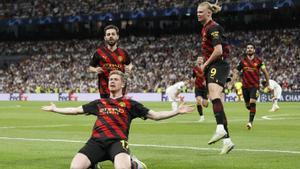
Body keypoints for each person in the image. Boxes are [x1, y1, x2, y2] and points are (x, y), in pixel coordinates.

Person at [42, 70, 194, 169]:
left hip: (117, 142)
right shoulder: (100, 103)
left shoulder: (130, 104)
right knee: (75, 167)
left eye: (115, 79)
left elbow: (155, 115)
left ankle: (134, 165)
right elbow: (75, 110)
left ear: (123, 83)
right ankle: (93, 165)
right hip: (96, 141)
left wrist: (177, 111)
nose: (111, 81)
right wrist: (56, 109)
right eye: (110, 79)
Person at [197, 1, 235, 154]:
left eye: (201, 12)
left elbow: (218, 50)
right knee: (216, 99)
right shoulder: (205, 28)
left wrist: (205, 64)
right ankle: (227, 141)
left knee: (213, 96)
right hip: (214, 66)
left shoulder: (212, 27)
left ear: (208, 13)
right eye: (197, 12)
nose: (198, 14)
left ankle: (220, 128)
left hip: (217, 65)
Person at [89, 25, 133, 98]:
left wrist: (129, 69)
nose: (110, 36)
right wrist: (95, 70)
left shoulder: (123, 53)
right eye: (108, 34)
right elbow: (90, 67)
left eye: (113, 34)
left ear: (117, 36)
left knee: (119, 109)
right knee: (106, 109)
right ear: (105, 37)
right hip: (104, 89)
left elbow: (130, 64)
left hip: (120, 89)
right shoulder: (99, 52)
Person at [237, 43, 270, 130]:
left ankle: (250, 122)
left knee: (252, 102)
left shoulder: (259, 61)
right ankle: (251, 110)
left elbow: (265, 72)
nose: (249, 49)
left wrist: (268, 84)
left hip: (254, 86)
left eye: (251, 48)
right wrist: (231, 82)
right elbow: (236, 71)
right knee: (248, 105)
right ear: (246, 50)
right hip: (245, 87)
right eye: (248, 48)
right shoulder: (242, 61)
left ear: (254, 50)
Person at [192, 56, 208, 122]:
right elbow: (193, 77)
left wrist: (206, 81)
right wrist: (192, 80)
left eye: (201, 59)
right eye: (198, 59)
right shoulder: (195, 68)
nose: (199, 60)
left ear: (203, 61)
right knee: (198, 101)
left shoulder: (206, 67)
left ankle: (204, 101)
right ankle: (201, 117)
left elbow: (209, 75)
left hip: (205, 88)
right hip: (197, 87)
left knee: (205, 104)